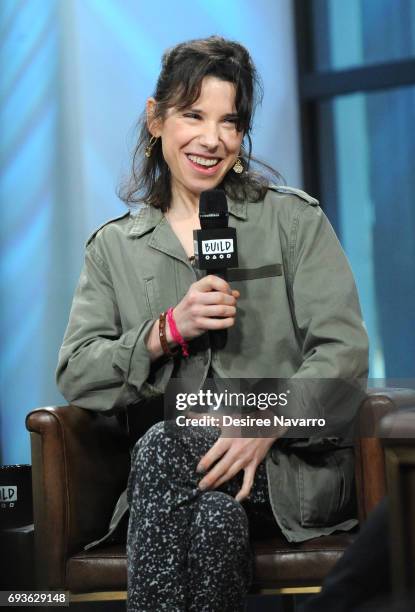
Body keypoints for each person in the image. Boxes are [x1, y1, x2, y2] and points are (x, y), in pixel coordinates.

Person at [56, 36, 369, 612]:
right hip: (178, 482)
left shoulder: (292, 221)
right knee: (213, 523)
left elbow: (344, 356)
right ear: (156, 120)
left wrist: (262, 423)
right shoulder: (115, 247)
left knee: (161, 447)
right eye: (193, 115)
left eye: (230, 121)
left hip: (284, 470)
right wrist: (166, 329)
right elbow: (78, 374)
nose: (212, 139)